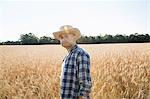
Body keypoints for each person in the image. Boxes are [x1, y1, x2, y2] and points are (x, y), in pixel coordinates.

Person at [53, 25, 92, 99]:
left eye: (66, 36)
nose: (63, 39)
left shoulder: (80, 54)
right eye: (61, 37)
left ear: (74, 36)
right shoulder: (67, 57)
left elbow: (85, 84)